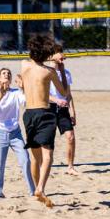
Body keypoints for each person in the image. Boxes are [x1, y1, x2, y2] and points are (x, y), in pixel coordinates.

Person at [21, 35, 67, 208]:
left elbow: (32, 58)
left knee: (35, 158)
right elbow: (63, 92)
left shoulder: (24, 65)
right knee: (48, 156)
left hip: (29, 114)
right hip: (45, 113)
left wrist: (48, 56)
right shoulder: (50, 72)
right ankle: (41, 187)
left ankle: (36, 190)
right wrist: (60, 69)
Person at [0, 68, 35, 198]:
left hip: (15, 133)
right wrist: (1, 96)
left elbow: (27, 103)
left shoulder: (16, 92)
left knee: (25, 160)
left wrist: (23, 88)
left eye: (8, 73)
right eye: (3, 73)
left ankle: (33, 191)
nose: (6, 74)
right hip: (0, 133)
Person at [49, 44, 78, 175]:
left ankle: (70, 167)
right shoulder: (46, 72)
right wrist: (55, 100)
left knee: (71, 137)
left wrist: (73, 112)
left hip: (63, 108)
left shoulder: (66, 73)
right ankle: (45, 164)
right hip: (48, 108)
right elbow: (41, 93)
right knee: (47, 141)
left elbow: (68, 94)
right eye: (59, 52)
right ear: (51, 56)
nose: (62, 55)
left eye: (62, 52)